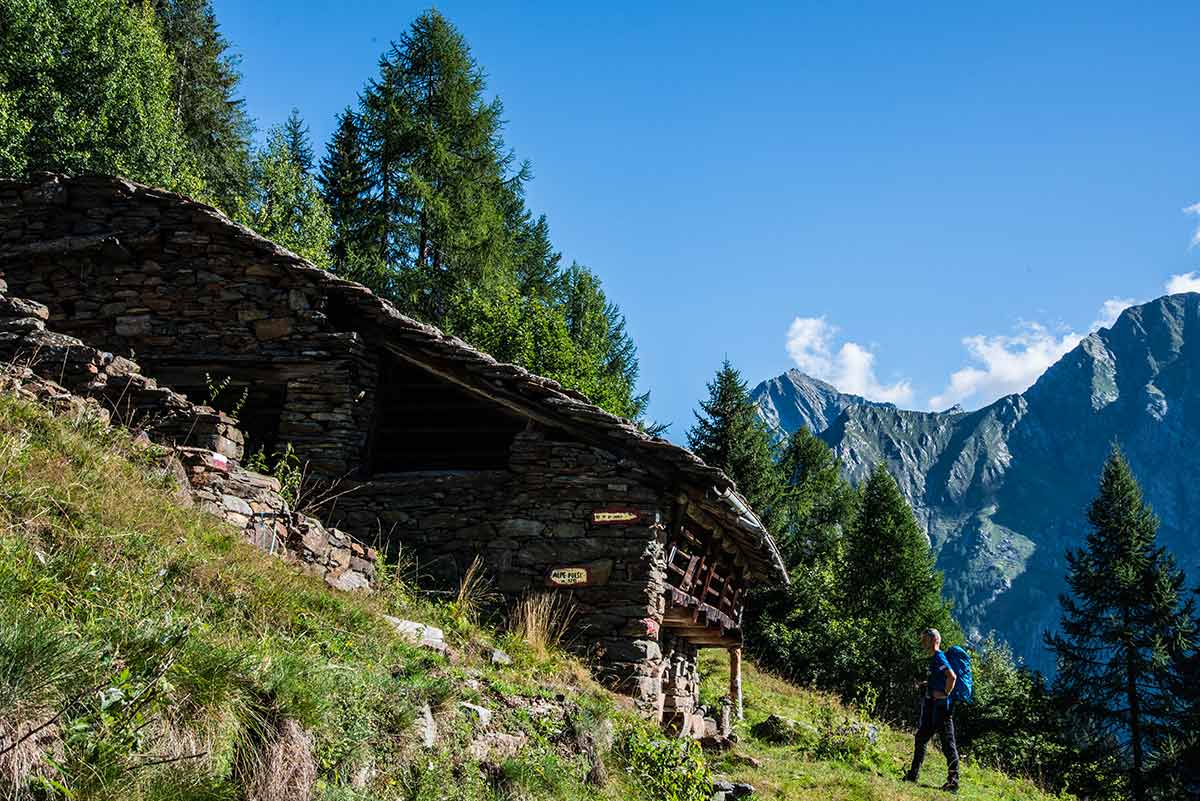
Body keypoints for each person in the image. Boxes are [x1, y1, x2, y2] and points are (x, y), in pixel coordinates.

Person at [903, 627, 960, 793]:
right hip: (933, 706)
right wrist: (927, 685)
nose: (922, 642)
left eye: (925, 639)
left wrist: (944, 693)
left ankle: (953, 783)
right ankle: (913, 775)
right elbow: (940, 679)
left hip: (942, 708)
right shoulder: (934, 659)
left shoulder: (939, 657)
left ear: (934, 640)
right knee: (921, 738)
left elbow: (952, 676)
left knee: (948, 744)